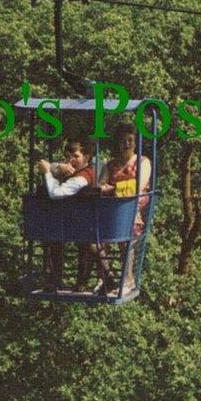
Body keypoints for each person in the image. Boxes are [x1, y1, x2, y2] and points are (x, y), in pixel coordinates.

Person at [97, 122, 152, 293]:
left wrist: (114, 189)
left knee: (124, 241)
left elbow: (139, 187)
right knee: (99, 239)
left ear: (135, 143)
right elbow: (100, 185)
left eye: (130, 140)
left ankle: (128, 279)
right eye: (123, 141)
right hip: (112, 208)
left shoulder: (142, 162)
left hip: (131, 208)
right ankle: (105, 276)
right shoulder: (111, 165)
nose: (126, 144)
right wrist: (106, 188)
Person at [36, 137, 96, 292]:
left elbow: (56, 193)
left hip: (82, 222)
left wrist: (48, 173)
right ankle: (54, 280)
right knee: (54, 240)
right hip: (69, 220)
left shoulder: (82, 177)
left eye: (76, 157)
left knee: (82, 245)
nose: (71, 161)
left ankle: (81, 282)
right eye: (68, 157)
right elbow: (54, 166)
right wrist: (57, 168)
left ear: (86, 157)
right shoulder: (73, 171)